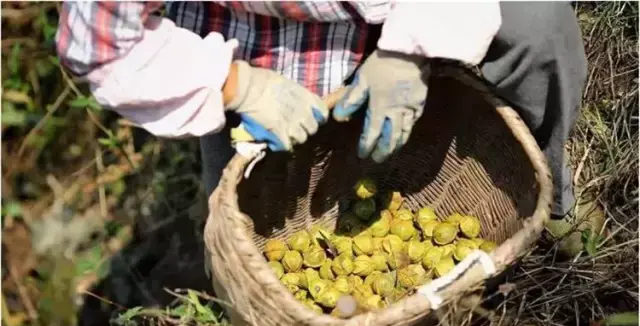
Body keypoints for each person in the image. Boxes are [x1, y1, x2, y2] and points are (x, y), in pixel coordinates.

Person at [56, 2, 590, 252]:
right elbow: (96, 42)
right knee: (241, 236)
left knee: (538, 23)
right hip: (248, 41)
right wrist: (234, 85)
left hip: (382, 11)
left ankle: (550, 199)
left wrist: (412, 45)